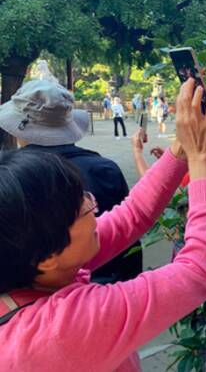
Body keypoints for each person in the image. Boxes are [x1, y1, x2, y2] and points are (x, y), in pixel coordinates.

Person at [0, 79, 206, 372]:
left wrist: (183, 147)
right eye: (79, 207)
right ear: (47, 257)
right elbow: (199, 271)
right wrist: (200, 160)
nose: (91, 202)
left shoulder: (34, 264)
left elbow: (133, 214)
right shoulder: (62, 329)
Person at [0, 80, 141, 284]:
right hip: (111, 281)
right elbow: (130, 227)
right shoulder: (104, 169)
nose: (90, 203)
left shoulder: (12, 181)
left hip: (39, 290)